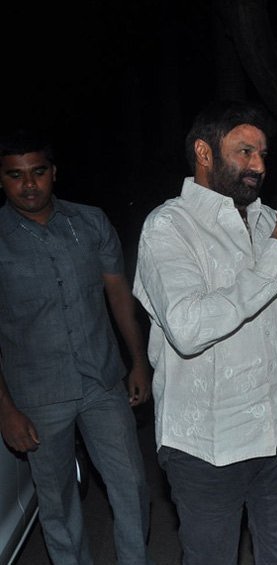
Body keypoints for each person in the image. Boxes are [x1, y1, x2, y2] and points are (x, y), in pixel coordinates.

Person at [133, 100, 277, 565]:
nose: (258, 166)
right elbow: (188, 327)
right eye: (245, 152)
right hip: (208, 443)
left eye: (263, 154)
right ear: (204, 153)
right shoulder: (168, 227)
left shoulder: (273, 223)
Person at [0, 130, 152, 564]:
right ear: (2, 179)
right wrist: (6, 409)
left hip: (102, 381)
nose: (29, 184)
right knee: (58, 502)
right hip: (36, 397)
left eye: (38, 172)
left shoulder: (89, 222)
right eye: (15, 175)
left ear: (53, 173)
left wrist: (137, 361)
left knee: (131, 485)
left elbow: (118, 294)